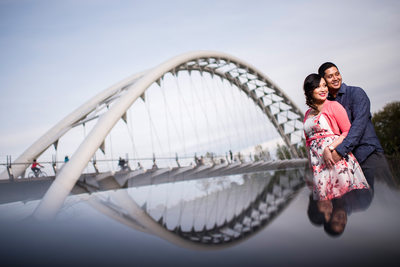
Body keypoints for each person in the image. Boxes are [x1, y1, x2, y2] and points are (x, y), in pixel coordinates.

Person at [318, 62, 392, 188]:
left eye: (337, 74)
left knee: (388, 200)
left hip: (369, 155)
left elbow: (358, 127)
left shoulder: (356, 93)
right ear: (323, 81)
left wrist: (339, 152)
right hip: (349, 162)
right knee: (364, 206)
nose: (336, 78)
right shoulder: (326, 104)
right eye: (330, 76)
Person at [303, 73, 369, 201]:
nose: (323, 89)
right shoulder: (307, 114)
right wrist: (309, 166)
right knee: (327, 205)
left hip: (335, 159)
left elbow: (347, 132)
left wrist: (330, 148)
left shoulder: (333, 106)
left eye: (324, 86)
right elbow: (308, 143)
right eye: (318, 87)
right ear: (310, 91)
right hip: (318, 164)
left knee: (345, 201)